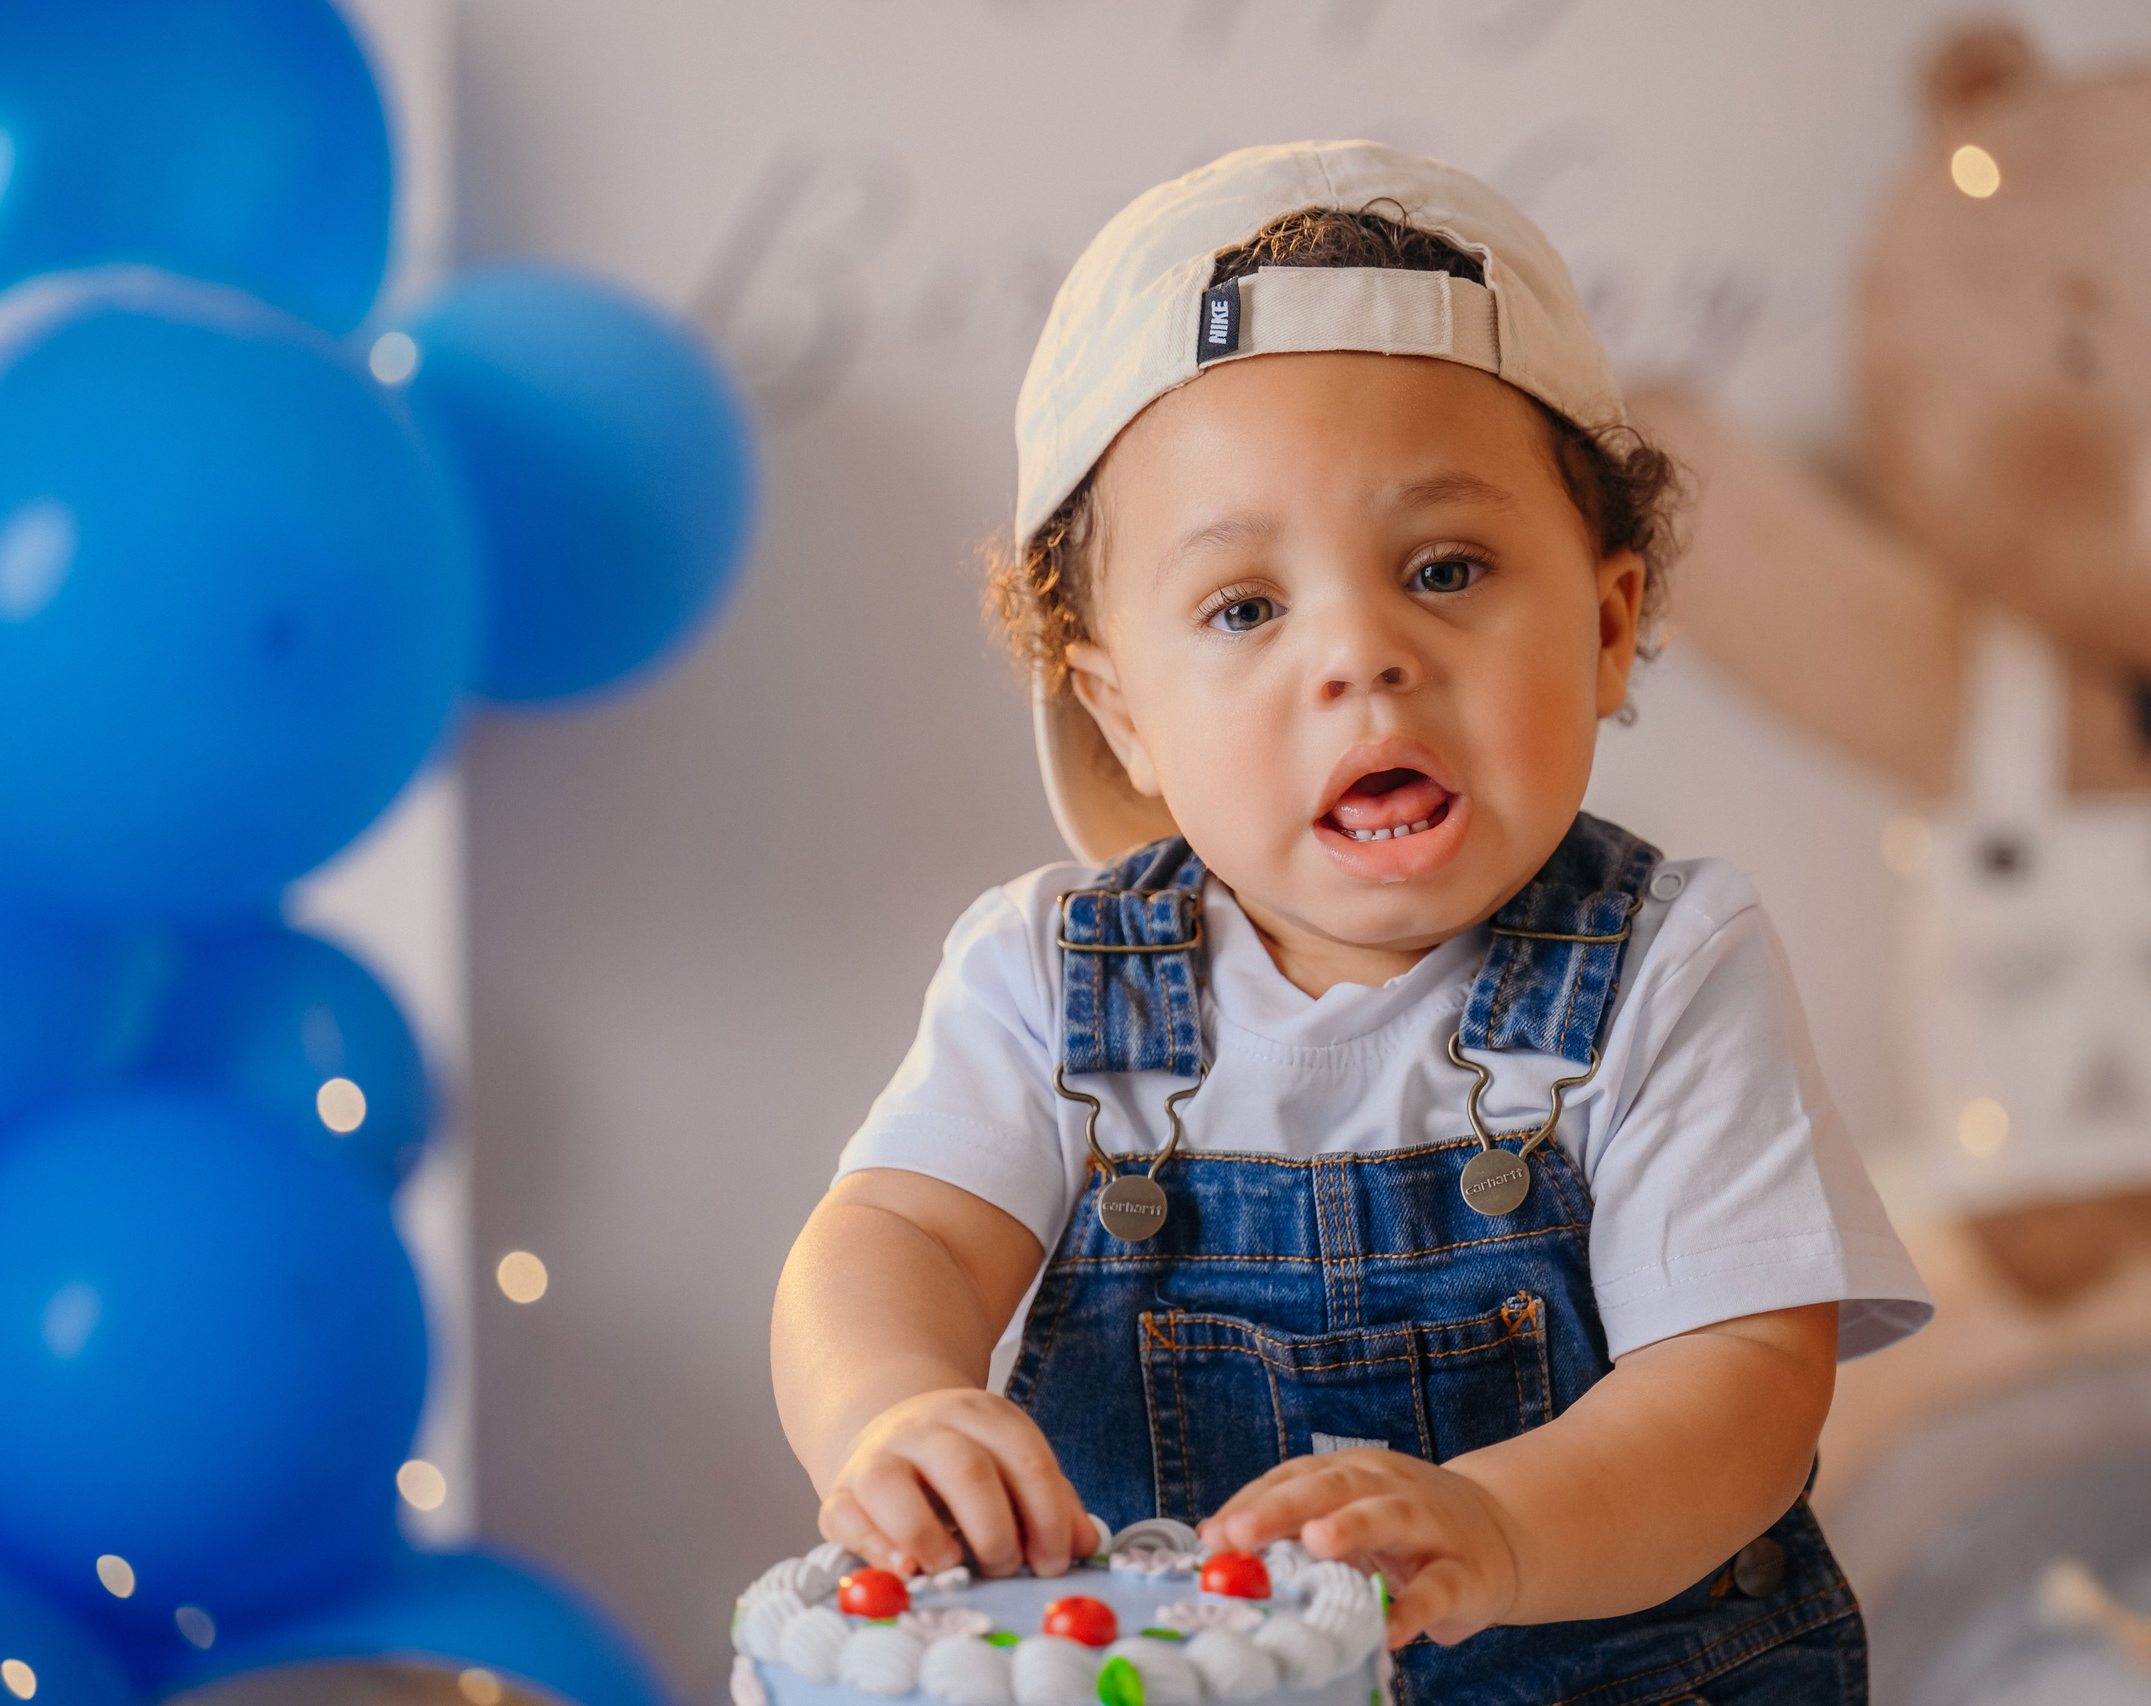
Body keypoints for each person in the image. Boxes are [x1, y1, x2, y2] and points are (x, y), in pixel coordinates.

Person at [770, 140, 1932, 1704]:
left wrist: (1502, 1528)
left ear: (1605, 625)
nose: (1362, 657)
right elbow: (891, 1235)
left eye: (1444, 569)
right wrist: (891, 1407)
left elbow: (1741, 1387)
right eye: (1246, 607)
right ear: (1121, 714)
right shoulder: (1050, 983)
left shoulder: (1667, 965)